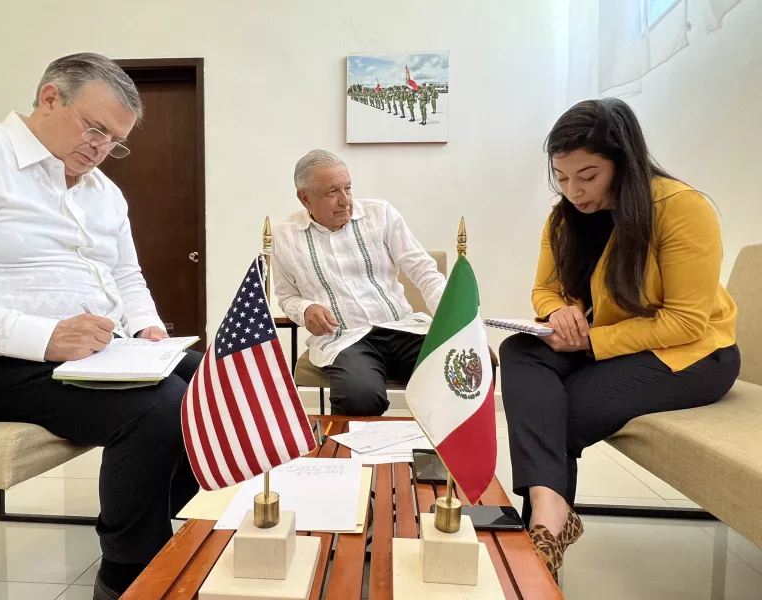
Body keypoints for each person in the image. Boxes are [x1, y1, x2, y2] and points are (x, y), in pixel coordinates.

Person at [0, 52, 203, 600]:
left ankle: (180, 536)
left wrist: (146, 329)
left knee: (213, 380)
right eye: (94, 129)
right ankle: (127, 574)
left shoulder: (104, 192)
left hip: (96, 353)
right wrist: (41, 336)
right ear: (50, 97)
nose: (100, 149)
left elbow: (126, 274)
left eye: (114, 141)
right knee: (158, 405)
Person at [499, 98, 740, 577]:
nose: (573, 191)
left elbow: (688, 322)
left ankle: (540, 538)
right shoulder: (564, 218)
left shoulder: (679, 207)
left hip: (694, 356)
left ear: (623, 161)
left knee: (557, 408)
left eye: (588, 176)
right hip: (612, 343)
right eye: (562, 177)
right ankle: (551, 518)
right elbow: (544, 287)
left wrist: (588, 343)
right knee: (518, 349)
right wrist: (557, 312)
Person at [272, 150, 446, 416]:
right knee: (359, 397)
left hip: (403, 329)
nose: (345, 201)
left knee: (454, 371)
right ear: (305, 197)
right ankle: (356, 457)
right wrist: (305, 310)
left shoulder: (381, 214)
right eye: (332, 193)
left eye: (348, 188)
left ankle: (435, 454)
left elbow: (423, 269)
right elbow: (286, 297)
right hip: (346, 339)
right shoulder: (285, 237)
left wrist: (451, 317)